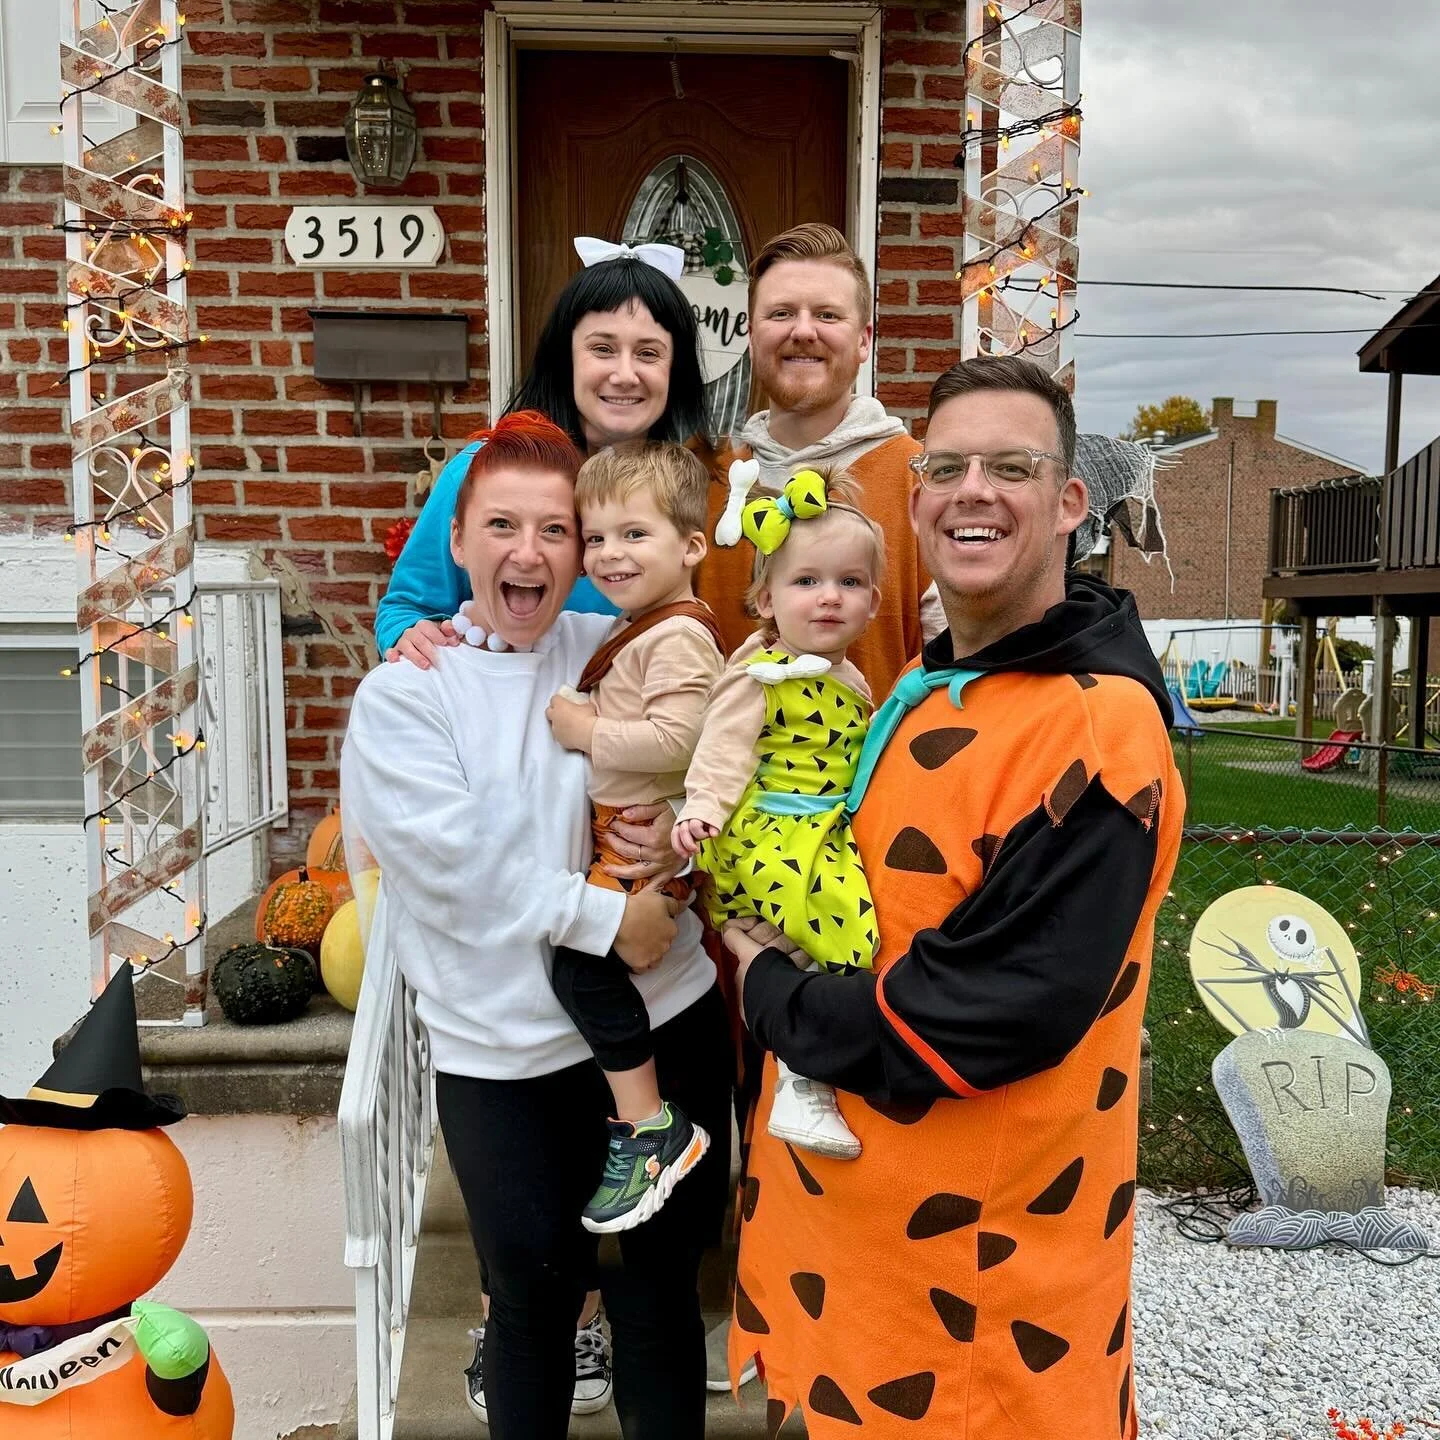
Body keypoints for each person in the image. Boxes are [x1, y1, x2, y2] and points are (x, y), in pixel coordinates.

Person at [722, 357, 1185, 1438]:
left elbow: (982, 1014)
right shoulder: (927, 692)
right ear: (916, 496)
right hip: (852, 1287)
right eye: (949, 467)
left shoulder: (1095, 728)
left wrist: (768, 988)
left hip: (977, 1317)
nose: (974, 489)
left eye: (1012, 466)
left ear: (1072, 502)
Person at [341, 412, 732, 1440]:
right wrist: (611, 919)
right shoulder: (405, 693)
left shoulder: (619, 646)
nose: (530, 552)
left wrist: (675, 865)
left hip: (663, 1019)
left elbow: (712, 758)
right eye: (501, 526)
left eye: (557, 530)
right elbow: (453, 869)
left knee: (658, 1296)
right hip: (504, 1053)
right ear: (458, 542)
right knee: (531, 1299)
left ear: (585, 548)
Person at [673, 468, 884, 1161]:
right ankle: (801, 1080)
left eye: (849, 583)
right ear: (765, 598)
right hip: (767, 830)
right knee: (834, 929)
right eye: (806, 582)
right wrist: (702, 809)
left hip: (820, 829)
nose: (829, 597)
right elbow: (722, 750)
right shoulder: (760, 671)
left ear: (874, 602)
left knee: (817, 950)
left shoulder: (850, 677)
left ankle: (807, 1068)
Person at [541, 443, 725, 1234]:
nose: (609, 554)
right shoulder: (639, 627)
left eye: (634, 535)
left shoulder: (677, 636)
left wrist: (586, 730)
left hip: (646, 845)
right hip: (629, 837)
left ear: (692, 546)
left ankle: (650, 1124)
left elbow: (678, 740)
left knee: (581, 971)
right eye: (597, 537)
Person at [375, 240, 709, 668]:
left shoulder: (689, 487)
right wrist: (409, 634)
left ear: (674, 371)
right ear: (565, 358)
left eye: (648, 353)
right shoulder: (488, 468)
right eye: (602, 348)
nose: (625, 375)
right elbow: (407, 606)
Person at [698, 222, 941, 697]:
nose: (803, 331)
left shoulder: (923, 483)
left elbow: (954, 667)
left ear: (865, 340)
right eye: (781, 313)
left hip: (873, 767)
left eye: (827, 315)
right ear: (751, 334)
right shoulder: (707, 482)